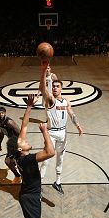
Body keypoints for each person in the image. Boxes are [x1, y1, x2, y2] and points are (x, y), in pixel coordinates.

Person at [13, 93, 55, 218]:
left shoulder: (21, 154)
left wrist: (29, 106)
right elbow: (50, 152)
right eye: (23, 141)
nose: (24, 138)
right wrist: (44, 130)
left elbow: (23, 126)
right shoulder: (29, 159)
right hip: (30, 198)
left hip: (26, 194)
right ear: (21, 149)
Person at [38, 62, 83, 195]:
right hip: (51, 133)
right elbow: (42, 88)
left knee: (60, 158)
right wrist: (44, 73)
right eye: (54, 86)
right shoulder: (50, 100)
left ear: (61, 88)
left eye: (58, 86)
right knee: (46, 161)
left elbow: (72, 114)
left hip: (63, 133)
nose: (55, 88)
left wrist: (78, 126)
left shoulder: (66, 102)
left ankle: (57, 182)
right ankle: (39, 185)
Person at [0, 106, 22, 183]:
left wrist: (19, 144)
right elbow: (2, 132)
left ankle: (18, 176)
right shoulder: (0, 121)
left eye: (2, 113)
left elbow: (20, 132)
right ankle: (16, 169)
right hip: (12, 143)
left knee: (8, 161)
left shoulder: (9, 122)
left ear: (5, 113)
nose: (1, 115)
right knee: (13, 161)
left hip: (16, 143)